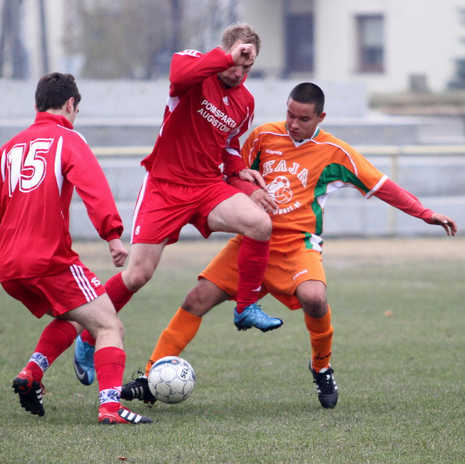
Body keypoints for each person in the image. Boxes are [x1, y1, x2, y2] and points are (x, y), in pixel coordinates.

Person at [120, 82, 458, 409]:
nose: (293, 124)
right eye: (290, 115)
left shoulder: (336, 153)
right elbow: (231, 169)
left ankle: (321, 367)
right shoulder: (264, 136)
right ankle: (150, 377)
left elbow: (382, 185)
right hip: (252, 242)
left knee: (314, 298)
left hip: (297, 245)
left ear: (320, 119)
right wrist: (246, 188)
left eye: (303, 119)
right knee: (195, 300)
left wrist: (424, 213)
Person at [73, 23, 282, 386]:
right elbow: (179, 75)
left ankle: (246, 306)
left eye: (248, 67)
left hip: (205, 188)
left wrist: (241, 172)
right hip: (165, 188)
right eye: (238, 62)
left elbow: (229, 146)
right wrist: (226, 59)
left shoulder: (245, 102)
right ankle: (89, 335)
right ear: (225, 51)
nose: (240, 72)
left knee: (260, 224)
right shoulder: (193, 65)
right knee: (138, 275)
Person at [0, 72, 152, 425]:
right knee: (108, 326)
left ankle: (31, 374)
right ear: (71, 104)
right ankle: (110, 407)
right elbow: (94, 187)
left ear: (36, 105)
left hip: (10, 268)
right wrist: (113, 235)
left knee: (72, 315)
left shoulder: (8, 148)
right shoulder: (68, 139)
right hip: (48, 260)